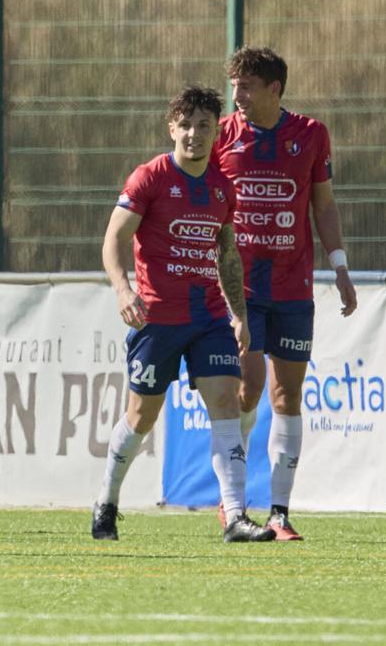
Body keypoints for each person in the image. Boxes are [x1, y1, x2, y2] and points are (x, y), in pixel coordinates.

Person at [92, 85, 274, 543]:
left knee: (226, 404)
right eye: (186, 125)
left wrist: (240, 313)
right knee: (141, 418)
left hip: (209, 317)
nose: (194, 134)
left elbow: (227, 253)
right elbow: (113, 240)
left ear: (216, 132)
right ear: (172, 127)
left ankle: (234, 515)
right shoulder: (149, 178)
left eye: (204, 126)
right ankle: (107, 500)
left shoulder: (220, 187)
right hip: (157, 318)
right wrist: (122, 290)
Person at [213, 47, 357, 540]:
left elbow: (325, 205)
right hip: (242, 288)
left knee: (287, 394)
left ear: (274, 89)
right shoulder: (222, 135)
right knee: (249, 387)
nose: (238, 96)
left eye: (247, 86)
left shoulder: (311, 135)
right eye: (234, 86)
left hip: (293, 286)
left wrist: (339, 265)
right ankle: (233, 501)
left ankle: (279, 512)